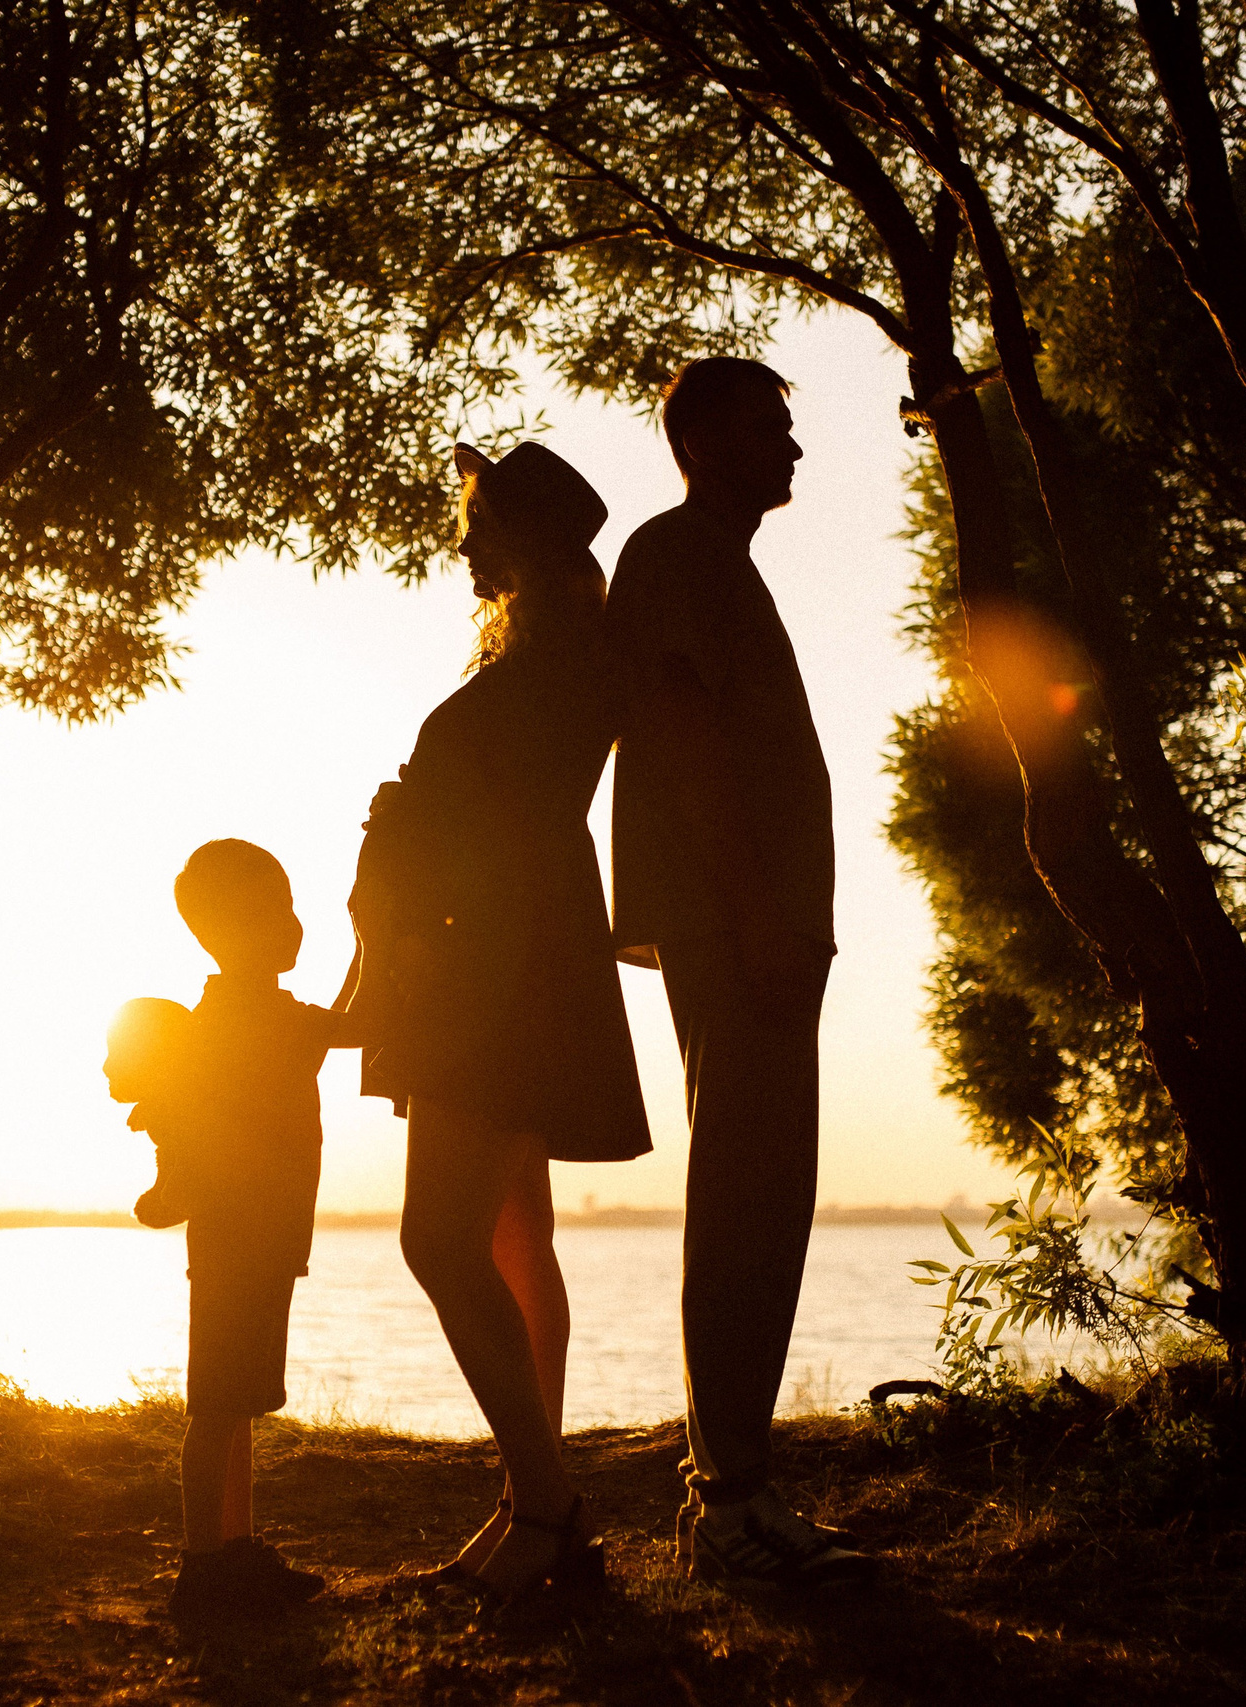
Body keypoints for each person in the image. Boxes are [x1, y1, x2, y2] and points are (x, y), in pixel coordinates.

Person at [349, 440, 653, 1606]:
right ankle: (535, 1501)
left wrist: (407, 818)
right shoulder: (551, 655)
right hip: (510, 959)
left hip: (495, 969)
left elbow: (503, 819)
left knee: (439, 1242)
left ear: (520, 538)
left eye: (476, 527)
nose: (462, 548)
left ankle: (546, 1500)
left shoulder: (559, 664)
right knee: (517, 1236)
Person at [605, 357, 876, 1586]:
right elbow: (684, 740)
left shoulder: (715, 562)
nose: (796, 452)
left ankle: (736, 1487)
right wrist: (760, 911)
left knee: (765, 1200)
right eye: (775, 427)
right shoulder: (677, 557)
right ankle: (726, 1507)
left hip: (761, 928)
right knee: (746, 1202)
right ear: (705, 438)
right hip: (740, 929)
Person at [105, 838, 378, 1621]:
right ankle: (202, 1566)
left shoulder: (244, 1018)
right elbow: (361, 1024)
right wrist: (372, 937)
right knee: (216, 1407)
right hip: (241, 1242)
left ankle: (236, 1549)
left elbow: (344, 1023)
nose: (296, 926)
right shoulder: (267, 1022)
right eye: (281, 910)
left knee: (237, 1408)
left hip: (261, 1243)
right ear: (242, 927)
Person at [104, 996, 195, 1229]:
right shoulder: (165, 1108)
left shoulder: (170, 1115)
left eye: (117, 1053)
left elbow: (179, 1183)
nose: (106, 1067)